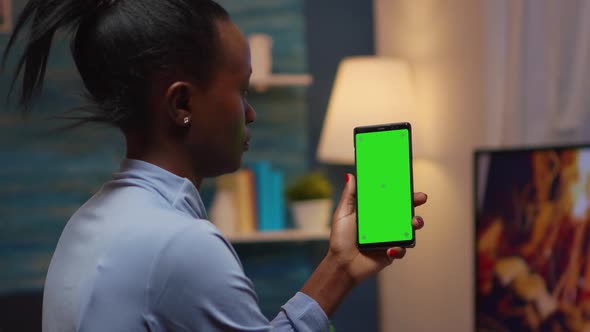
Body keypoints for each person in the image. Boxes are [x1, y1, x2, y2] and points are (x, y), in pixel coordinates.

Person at [2, 0, 428, 331]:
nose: (250, 113)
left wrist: (340, 265)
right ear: (182, 103)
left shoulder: (90, 221)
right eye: (241, 90)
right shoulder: (181, 244)